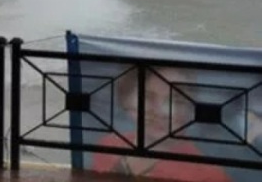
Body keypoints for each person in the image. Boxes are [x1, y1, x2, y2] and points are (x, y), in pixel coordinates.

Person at [91, 66, 231, 182]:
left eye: (176, 100)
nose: (162, 112)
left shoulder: (207, 176)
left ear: (191, 109)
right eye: (148, 97)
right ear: (127, 101)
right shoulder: (108, 145)